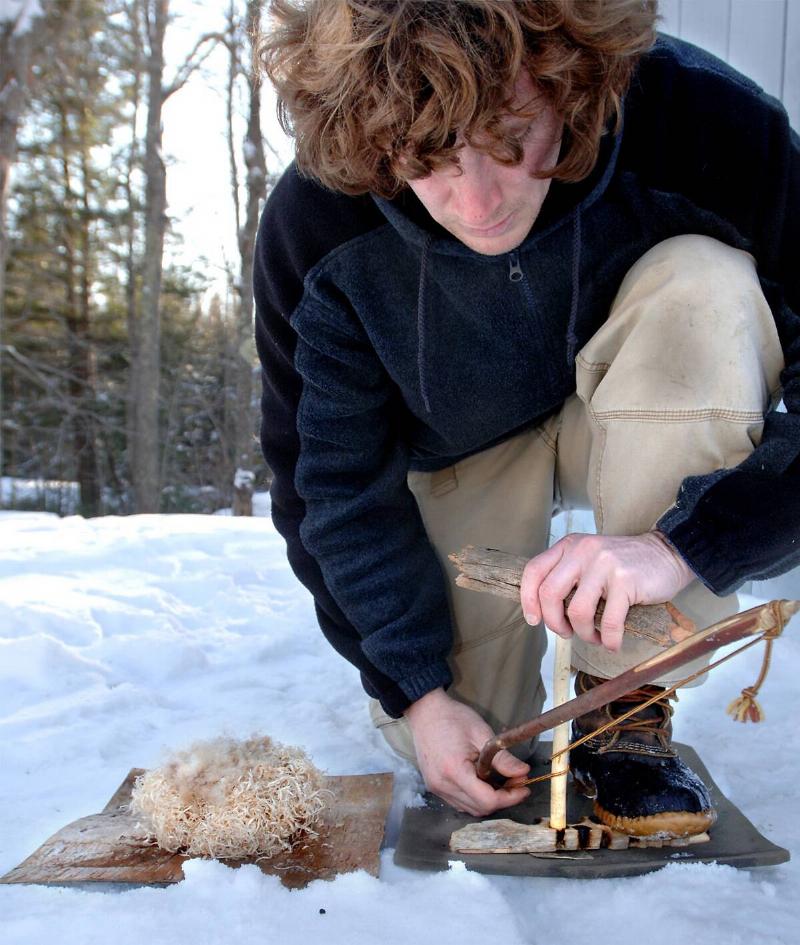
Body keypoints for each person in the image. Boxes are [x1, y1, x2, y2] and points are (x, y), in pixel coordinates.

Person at [253, 0, 799, 836]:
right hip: (453, 449)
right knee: (479, 730)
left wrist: (682, 545)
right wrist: (418, 691)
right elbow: (328, 485)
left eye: (511, 140)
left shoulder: (709, 126)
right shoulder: (317, 224)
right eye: (429, 159)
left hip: (634, 396)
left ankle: (625, 704)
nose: (478, 204)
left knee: (708, 283)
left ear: (572, 84)